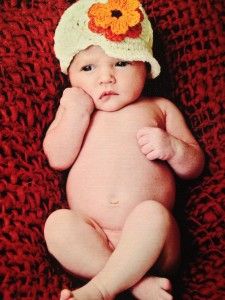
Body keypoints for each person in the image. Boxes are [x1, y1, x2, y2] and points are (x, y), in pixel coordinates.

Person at [43, 0, 205, 299]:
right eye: (88, 67)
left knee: (152, 214)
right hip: (94, 238)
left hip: (154, 241)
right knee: (57, 225)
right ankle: (137, 284)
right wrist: (75, 113)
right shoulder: (77, 110)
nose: (106, 77)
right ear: (70, 76)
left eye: (121, 62)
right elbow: (57, 158)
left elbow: (195, 165)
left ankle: (102, 289)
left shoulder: (160, 108)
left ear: (145, 65)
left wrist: (172, 148)